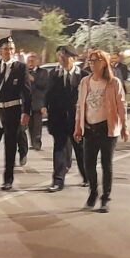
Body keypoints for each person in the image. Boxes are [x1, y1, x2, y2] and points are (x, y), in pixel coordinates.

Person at [74, 50, 128, 213]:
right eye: (90, 61)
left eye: (95, 60)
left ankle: (105, 198)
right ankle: (93, 193)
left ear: (104, 63)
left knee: (106, 164)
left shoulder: (113, 82)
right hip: (89, 128)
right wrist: (78, 126)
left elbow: (121, 105)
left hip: (107, 128)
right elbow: (80, 106)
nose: (92, 64)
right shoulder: (85, 82)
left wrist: (124, 126)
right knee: (88, 163)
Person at [0, 37, 31, 191]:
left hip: (12, 111)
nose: (8, 52)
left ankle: (8, 180)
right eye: (6, 49)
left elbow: (27, 92)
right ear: (0, 51)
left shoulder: (20, 67)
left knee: (10, 147)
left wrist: (26, 112)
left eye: (11, 49)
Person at [45, 46, 85, 192]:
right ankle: (58, 181)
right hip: (59, 119)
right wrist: (45, 108)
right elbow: (48, 95)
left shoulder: (83, 76)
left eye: (64, 57)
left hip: (77, 120)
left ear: (73, 58)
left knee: (80, 149)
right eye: (60, 57)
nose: (61, 59)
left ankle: (87, 176)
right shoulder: (54, 75)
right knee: (59, 149)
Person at [24, 53, 50, 155]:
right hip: (27, 102)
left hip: (39, 102)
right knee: (30, 124)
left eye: (32, 61)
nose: (30, 63)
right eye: (28, 61)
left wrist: (33, 79)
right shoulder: (24, 73)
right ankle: (33, 142)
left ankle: (37, 142)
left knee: (37, 124)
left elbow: (44, 85)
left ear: (37, 62)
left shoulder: (43, 72)